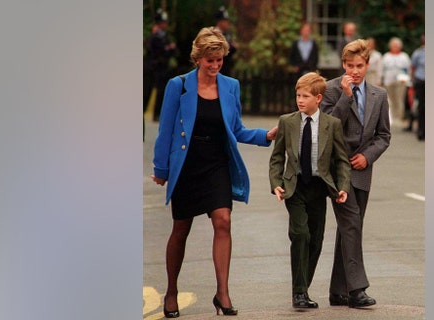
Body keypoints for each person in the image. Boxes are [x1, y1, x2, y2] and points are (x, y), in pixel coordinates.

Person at [152, 27, 278, 317]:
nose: (215, 65)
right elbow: (166, 129)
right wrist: (161, 169)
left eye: (219, 60)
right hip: (187, 163)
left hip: (216, 163)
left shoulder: (231, 86)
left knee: (223, 220)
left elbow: (236, 130)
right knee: (181, 229)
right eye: (210, 60)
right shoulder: (179, 85)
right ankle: (171, 291)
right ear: (198, 58)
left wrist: (265, 136)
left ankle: (222, 292)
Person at [269, 72, 351, 309]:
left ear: (318, 98)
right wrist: (276, 181)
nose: (300, 100)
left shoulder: (331, 125)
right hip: (294, 187)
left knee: (316, 241)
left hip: (319, 188)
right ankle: (299, 293)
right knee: (300, 235)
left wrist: (342, 186)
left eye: (305, 96)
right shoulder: (287, 121)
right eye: (298, 95)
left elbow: (341, 160)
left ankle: (303, 288)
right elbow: (277, 158)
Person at [319, 39, 391, 308]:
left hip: (362, 168)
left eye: (359, 66)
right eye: (349, 66)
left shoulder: (379, 95)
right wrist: (346, 97)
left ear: (367, 65)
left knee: (349, 227)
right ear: (343, 64)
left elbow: (384, 135)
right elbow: (327, 127)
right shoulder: (330, 89)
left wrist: (368, 156)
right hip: (337, 168)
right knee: (351, 224)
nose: (354, 71)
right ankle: (356, 290)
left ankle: (338, 290)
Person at [147, 9, 176, 122]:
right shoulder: (155, 36)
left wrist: (168, 49)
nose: (165, 24)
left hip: (163, 67)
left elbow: (171, 49)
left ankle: (157, 114)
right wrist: (167, 49)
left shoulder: (164, 36)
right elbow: (156, 51)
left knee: (162, 91)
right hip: (155, 67)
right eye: (163, 22)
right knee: (149, 90)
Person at [381, 37, 411, 124]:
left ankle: (399, 117)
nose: (395, 47)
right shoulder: (386, 56)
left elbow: (408, 69)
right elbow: (382, 69)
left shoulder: (404, 56)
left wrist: (406, 79)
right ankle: (392, 117)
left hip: (401, 81)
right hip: (388, 81)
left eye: (397, 45)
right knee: (390, 99)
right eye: (394, 45)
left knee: (399, 99)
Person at [214, 6, 237, 76]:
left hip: (226, 68)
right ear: (219, 22)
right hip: (217, 70)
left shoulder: (226, 34)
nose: (227, 23)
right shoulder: (214, 34)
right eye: (225, 21)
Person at [411, 34, 425, 141]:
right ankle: (421, 130)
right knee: (421, 106)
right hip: (421, 80)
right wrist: (413, 80)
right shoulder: (418, 53)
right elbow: (413, 67)